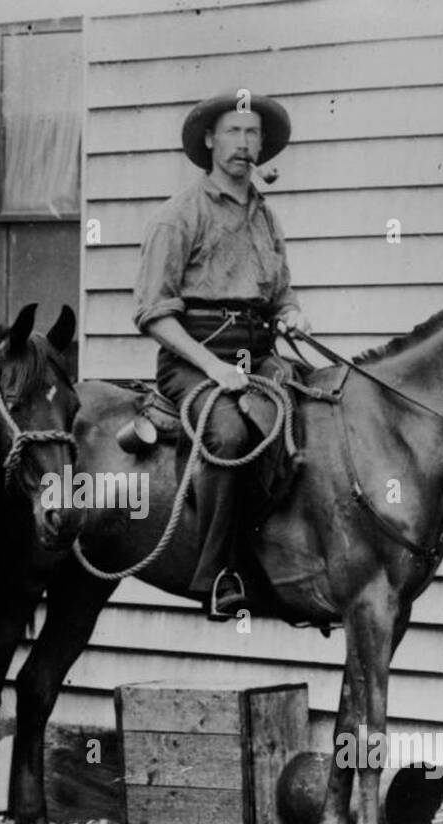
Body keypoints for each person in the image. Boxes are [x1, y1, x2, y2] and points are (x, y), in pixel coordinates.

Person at [132, 91, 313, 619]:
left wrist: (293, 313)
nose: (243, 144)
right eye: (233, 132)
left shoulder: (265, 215)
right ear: (210, 140)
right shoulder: (179, 216)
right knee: (229, 435)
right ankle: (219, 573)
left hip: (259, 357)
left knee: (316, 408)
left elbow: (281, 291)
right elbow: (153, 314)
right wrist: (211, 368)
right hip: (194, 360)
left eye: (253, 133)